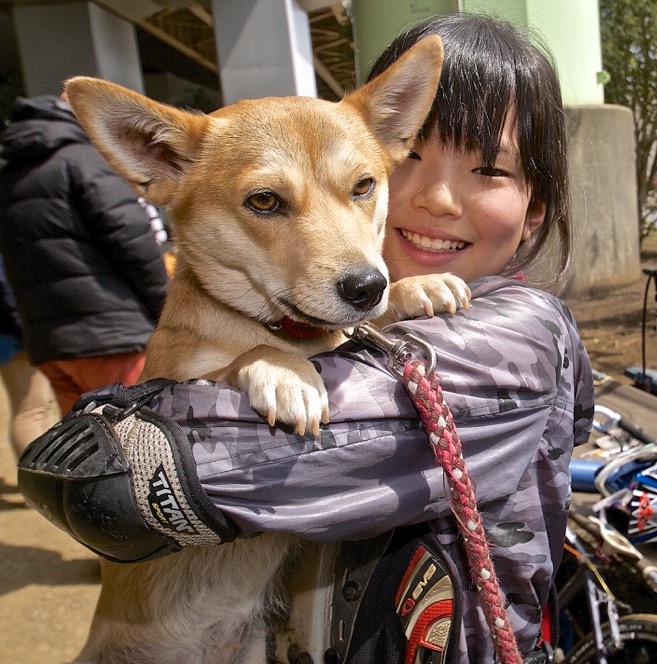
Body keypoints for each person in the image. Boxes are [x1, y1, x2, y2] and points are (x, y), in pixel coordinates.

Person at [18, 13, 593, 663]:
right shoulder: (228, 313)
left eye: (488, 171)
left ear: (536, 205)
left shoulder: (526, 336)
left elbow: (247, 458)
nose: (436, 198)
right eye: (269, 201)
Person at [0, 94, 169, 416]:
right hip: (113, 334)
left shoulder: (9, 178)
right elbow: (132, 239)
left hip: (51, 344)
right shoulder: (86, 160)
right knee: (140, 432)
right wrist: (167, 307)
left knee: (89, 444)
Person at [0, 257, 58, 457]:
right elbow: (6, 288)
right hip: (14, 333)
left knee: (42, 406)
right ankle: (37, 482)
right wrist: (27, 327)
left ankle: (48, 473)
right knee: (31, 410)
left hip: (14, 330)